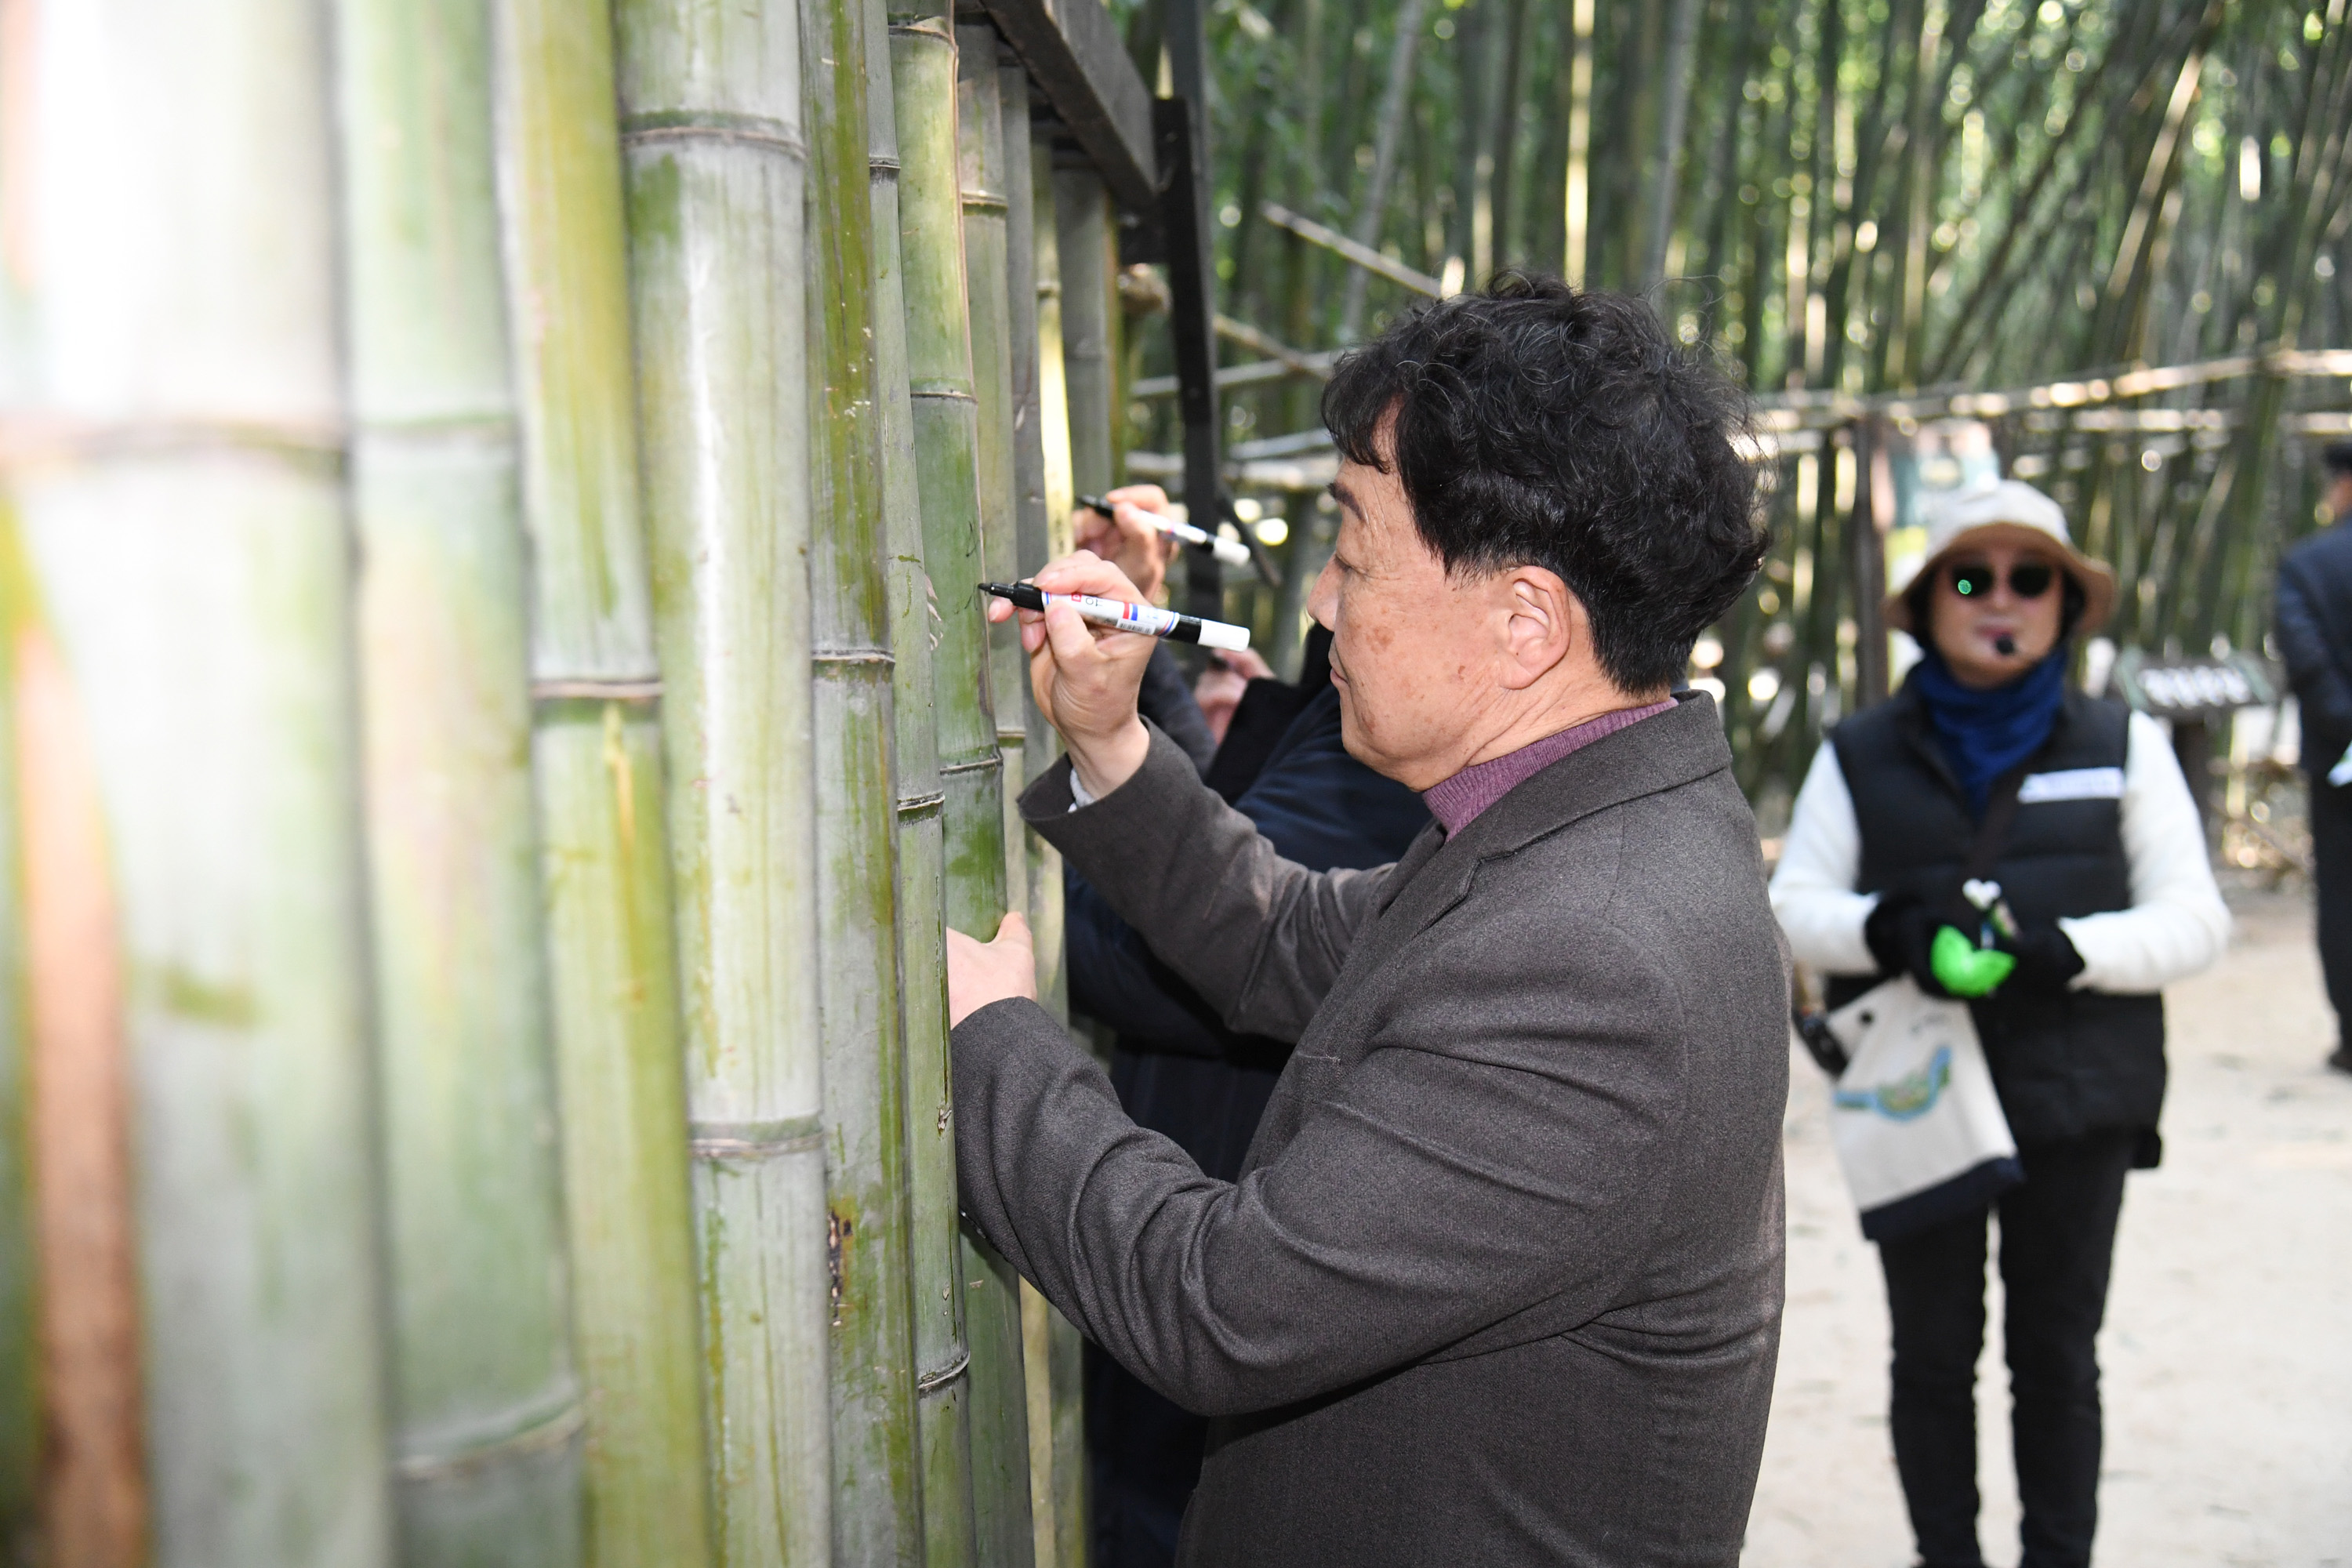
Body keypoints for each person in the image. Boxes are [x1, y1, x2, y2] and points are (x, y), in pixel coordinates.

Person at [946, 275, 1785, 1566]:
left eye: (1354, 555)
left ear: (1525, 623)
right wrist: (1110, 738)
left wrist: (993, 1043)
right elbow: (1283, 941)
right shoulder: (1572, 826)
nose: (1323, 604)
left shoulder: (1596, 954)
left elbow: (1217, 1305)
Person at [1771, 477, 2229, 1568]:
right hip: (1919, 1098)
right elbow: (1788, 908)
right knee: (1932, 1355)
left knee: (2057, 1357)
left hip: (2079, 1093)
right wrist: (1891, 928)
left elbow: (2196, 921)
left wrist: (2069, 950)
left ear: (2066, 606)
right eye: (1972, 578)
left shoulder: (2124, 741)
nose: (2003, 599)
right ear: (1931, 599)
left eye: (2034, 579)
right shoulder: (1859, 750)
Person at [2274, 439, 2352, 1074]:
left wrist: (2345, 721)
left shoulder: (2306, 565)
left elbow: (2305, 658)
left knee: (2344, 893)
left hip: (2339, 759)